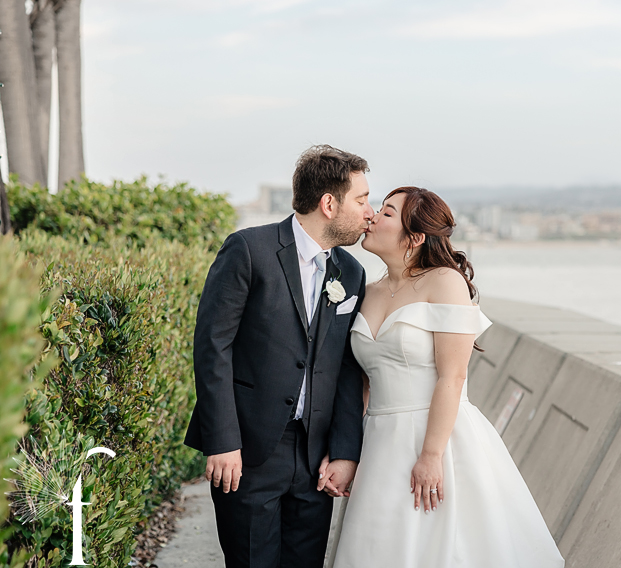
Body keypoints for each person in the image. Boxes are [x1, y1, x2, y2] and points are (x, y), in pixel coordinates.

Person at [322, 186, 565, 567]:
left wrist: (431, 455)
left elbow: (452, 377)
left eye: (386, 213)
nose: (371, 217)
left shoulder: (445, 283)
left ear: (415, 237)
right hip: (380, 441)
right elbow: (362, 382)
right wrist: (346, 451)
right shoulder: (366, 291)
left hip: (436, 436)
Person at [184, 145, 374, 567]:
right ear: (329, 204)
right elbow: (212, 347)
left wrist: (344, 451)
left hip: (314, 459)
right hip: (248, 453)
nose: (369, 212)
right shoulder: (249, 250)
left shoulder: (352, 272)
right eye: (361, 200)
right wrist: (223, 441)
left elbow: (346, 366)